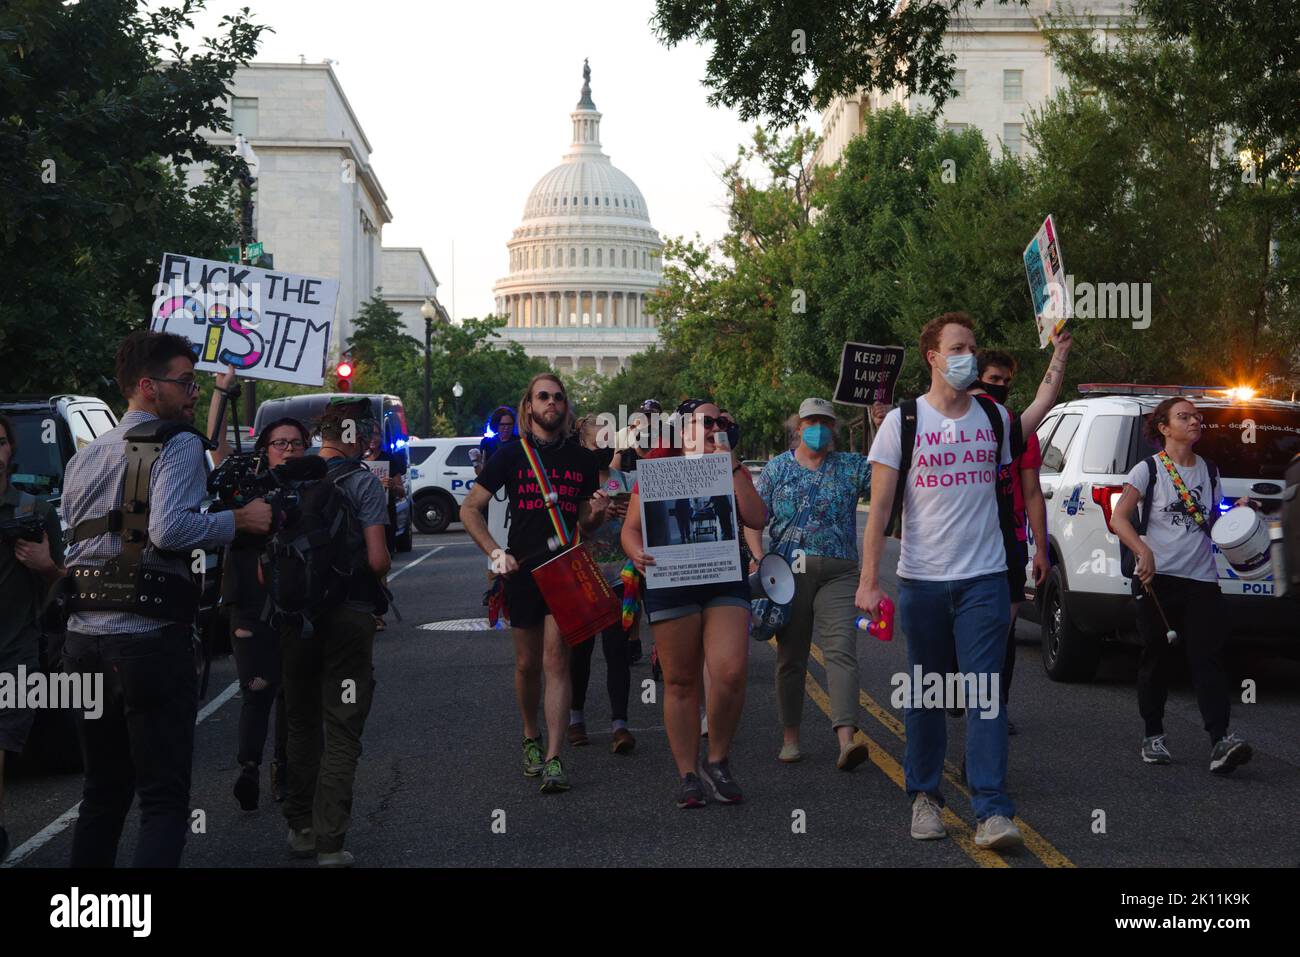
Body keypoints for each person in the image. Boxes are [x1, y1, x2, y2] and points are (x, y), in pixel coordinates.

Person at [858, 313, 1070, 851]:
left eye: (972, 348)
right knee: (927, 693)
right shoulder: (902, 423)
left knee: (985, 695)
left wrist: (1059, 355)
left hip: (985, 580)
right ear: (932, 356)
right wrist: (868, 581)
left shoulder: (994, 420)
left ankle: (993, 810)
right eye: (958, 347)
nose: (968, 356)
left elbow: (1039, 409)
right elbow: (880, 509)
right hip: (922, 582)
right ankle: (925, 798)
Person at [60, 331, 272, 867]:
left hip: (83, 641)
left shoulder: (87, 456)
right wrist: (239, 520)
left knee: (102, 792)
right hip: (148, 641)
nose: (193, 391)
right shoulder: (176, 443)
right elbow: (170, 530)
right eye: (185, 381)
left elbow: (75, 535)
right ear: (149, 387)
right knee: (162, 797)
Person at [460, 374, 610, 794]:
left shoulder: (581, 461)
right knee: (527, 665)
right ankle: (531, 735)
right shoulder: (509, 456)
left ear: (565, 408)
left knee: (555, 661)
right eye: (543, 397)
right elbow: (470, 509)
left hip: (563, 568)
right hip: (522, 570)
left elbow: (584, 522)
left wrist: (596, 514)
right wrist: (494, 553)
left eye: (558, 398)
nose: (552, 403)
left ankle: (554, 757)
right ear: (529, 406)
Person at [621, 399, 767, 808]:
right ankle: (688, 773)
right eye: (705, 421)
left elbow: (757, 518)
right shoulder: (657, 469)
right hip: (673, 581)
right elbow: (630, 530)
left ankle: (717, 759)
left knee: (730, 672)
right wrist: (636, 553)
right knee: (681, 680)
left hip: (724, 579)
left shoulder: (731, 467)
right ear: (682, 429)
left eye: (721, 420)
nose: (714, 426)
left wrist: (733, 467)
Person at [1108, 397, 1255, 774]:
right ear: (1164, 428)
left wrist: (1235, 510)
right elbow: (1119, 518)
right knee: (1156, 657)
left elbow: (1212, 515)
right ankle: (1153, 734)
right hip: (1158, 580)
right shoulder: (1148, 470)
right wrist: (1143, 550)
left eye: (1197, 417)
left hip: (1202, 579)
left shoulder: (1209, 470)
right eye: (1184, 417)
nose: (1194, 421)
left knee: (1208, 657)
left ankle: (1220, 740)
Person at [745, 398, 887, 769]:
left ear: (834, 430)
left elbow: (888, 475)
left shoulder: (851, 466)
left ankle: (846, 739)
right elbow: (754, 518)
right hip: (790, 572)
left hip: (840, 572)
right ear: (798, 426)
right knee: (791, 656)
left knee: (840, 651)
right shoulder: (776, 469)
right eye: (812, 421)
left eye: (826, 422)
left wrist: (883, 424)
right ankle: (790, 737)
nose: (819, 428)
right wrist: (758, 557)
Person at [281, 397, 391, 867]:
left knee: (301, 724)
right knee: (342, 727)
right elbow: (378, 559)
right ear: (354, 437)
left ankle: (300, 828)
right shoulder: (363, 482)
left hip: (293, 619)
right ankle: (330, 842)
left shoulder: (287, 479)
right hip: (348, 616)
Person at [207, 371, 305, 811]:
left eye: (296, 444)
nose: (288, 450)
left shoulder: (313, 486)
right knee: (256, 687)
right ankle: (248, 767)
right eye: (280, 443)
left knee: (290, 690)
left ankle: (283, 771)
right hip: (248, 599)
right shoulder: (243, 480)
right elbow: (214, 450)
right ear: (264, 449)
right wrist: (220, 392)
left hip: (296, 602)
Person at [967, 351, 1050, 734]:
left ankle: (995, 706)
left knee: (1004, 630)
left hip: (1010, 539)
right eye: (993, 379)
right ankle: (959, 693)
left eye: (1005, 381)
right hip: (968, 540)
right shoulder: (960, 424)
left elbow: (1032, 493)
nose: (1000, 386)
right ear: (977, 378)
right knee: (963, 628)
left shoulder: (1018, 430)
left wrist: (1042, 550)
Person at [0, 414, 66, 862]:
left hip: (13, 653)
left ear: (10, 451)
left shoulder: (33, 511)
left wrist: (44, 564)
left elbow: (68, 585)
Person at [566, 415, 635, 755]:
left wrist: (628, 517)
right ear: (582, 444)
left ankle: (619, 724)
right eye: (598, 442)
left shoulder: (625, 478)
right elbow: (573, 528)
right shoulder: (575, 482)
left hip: (621, 575)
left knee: (617, 651)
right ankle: (575, 717)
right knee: (580, 651)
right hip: (584, 575)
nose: (604, 448)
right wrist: (597, 516)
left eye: (609, 441)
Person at [474, 406, 517, 476]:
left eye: (509, 424)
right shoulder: (486, 442)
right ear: (496, 424)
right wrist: (475, 462)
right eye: (503, 424)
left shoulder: (519, 442)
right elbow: (481, 474)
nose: (506, 427)